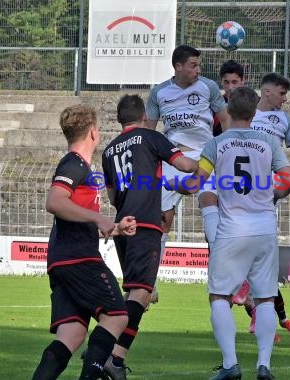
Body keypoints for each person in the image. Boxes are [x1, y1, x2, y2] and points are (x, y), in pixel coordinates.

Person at [173, 86, 290, 380]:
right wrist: (272, 196)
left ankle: (230, 365)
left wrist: (174, 185)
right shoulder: (268, 142)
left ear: (228, 111)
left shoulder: (217, 144)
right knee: (265, 298)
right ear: (254, 112)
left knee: (218, 296)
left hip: (231, 229)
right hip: (265, 227)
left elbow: (195, 183)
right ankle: (264, 365)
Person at [31, 104, 137, 380]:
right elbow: (54, 202)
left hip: (62, 259)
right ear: (93, 133)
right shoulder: (74, 163)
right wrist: (97, 217)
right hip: (79, 258)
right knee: (117, 315)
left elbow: (74, 217)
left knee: (73, 333)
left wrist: (113, 228)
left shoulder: (80, 167)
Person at [98, 94, 198, 379]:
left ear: (120, 119)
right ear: (144, 116)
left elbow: (113, 196)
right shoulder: (150, 137)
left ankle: (104, 352)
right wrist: (209, 161)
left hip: (123, 225)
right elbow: (185, 165)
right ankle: (113, 357)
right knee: (141, 293)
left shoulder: (108, 151)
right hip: (145, 223)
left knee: (137, 290)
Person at [212, 62, 290, 342]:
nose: (231, 87)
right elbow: (288, 179)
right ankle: (264, 322)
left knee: (252, 268)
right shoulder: (228, 122)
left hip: (254, 199)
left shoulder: (273, 123)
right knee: (251, 266)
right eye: (226, 83)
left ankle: (268, 317)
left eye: (235, 82)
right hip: (240, 200)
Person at [145, 44, 229, 302]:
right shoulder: (159, 92)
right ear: (178, 66)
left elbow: (225, 121)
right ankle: (150, 283)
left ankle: (220, 282)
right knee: (162, 219)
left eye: (198, 65)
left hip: (206, 155)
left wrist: (225, 151)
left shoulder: (209, 87)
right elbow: (149, 130)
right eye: (193, 65)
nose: (198, 70)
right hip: (174, 156)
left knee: (210, 206)